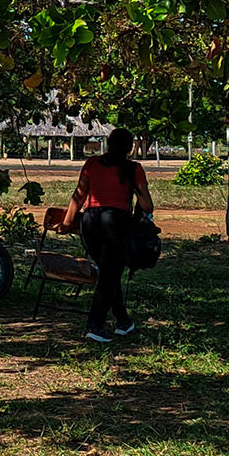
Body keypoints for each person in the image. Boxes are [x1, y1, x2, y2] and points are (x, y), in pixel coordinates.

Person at [56, 127, 155, 343]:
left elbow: (79, 196)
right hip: (116, 223)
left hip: (90, 223)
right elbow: (146, 204)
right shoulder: (133, 169)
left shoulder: (93, 164)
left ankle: (123, 321)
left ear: (108, 143)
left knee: (109, 273)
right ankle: (95, 324)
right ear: (130, 148)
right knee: (109, 275)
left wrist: (66, 223)